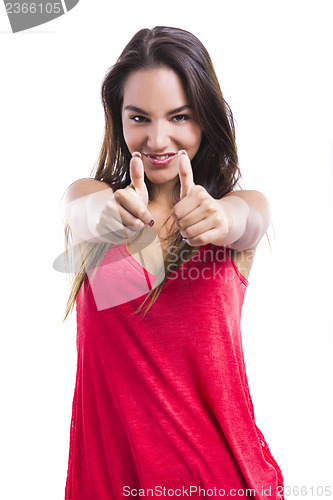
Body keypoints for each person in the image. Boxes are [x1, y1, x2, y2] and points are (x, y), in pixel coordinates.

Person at [61, 26, 285, 500]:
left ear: (206, 118)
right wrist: (107, 219)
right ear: (118, 118)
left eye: (179, 116)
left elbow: (249, 218)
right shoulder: (95, 200)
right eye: (139, 117)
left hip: (219, 482)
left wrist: (223, 216)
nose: (157, 138)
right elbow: (79, 211)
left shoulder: (230, 211)